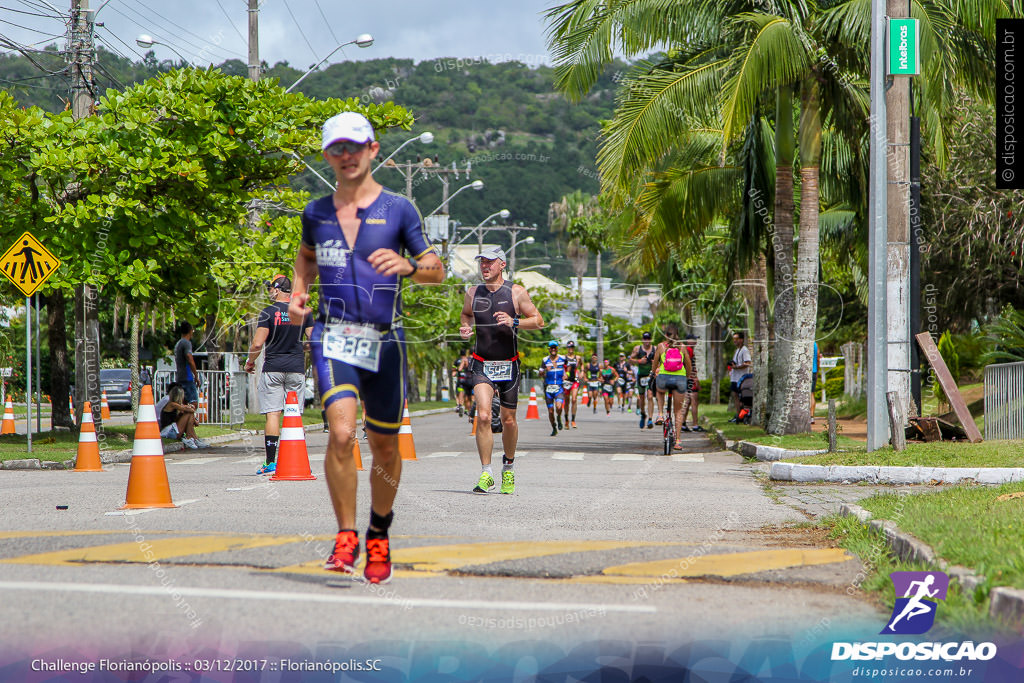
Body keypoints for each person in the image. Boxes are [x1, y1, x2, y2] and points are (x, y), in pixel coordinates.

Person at [289, 111, 445, 584]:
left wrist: (408, 266)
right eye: (337, 148)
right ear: (327, 156)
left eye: (355, 147)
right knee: (340, 434)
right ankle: (345, 536)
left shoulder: (399, 210)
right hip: (333, 335)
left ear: (373, 150)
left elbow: (436, 269)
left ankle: (379, 531)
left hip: (385, 341)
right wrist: (299, 291)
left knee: (384, 446)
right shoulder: (315, 212)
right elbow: (306, 258)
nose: (347, 156)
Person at [459, 246, 544, 493]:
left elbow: (538, 321)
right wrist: (465, 327)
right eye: (482, 263)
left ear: (502, 265)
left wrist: (514, 321)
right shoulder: (473, 292)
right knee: (483, 416)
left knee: (508, 420)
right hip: (482, 362)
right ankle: (486, 473)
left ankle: (508, 468)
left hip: (509, 365)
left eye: (490, 262)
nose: (485, 266)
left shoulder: (516, 292)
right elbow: (466, 315)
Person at [244, 274, 314, 475]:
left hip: (273, 367)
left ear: (276, 289)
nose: (269, 292)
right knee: (294, 415)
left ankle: (270, 462)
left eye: (270, 289)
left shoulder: (267, 312)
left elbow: (257, 343)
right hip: (296, 368)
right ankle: (296, 459)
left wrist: (250, 362)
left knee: (273, 413)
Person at [652, 323, 691, 447]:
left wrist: (654, 373)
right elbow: (688, 365)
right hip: (680, 380)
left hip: (664, 378)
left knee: (659, 390)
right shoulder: (682, 347)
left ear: (666, 335)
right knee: (678, 411)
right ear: (678, 335)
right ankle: (678, 441)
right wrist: (686, 377)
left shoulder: (661, 346)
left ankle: (660, 414)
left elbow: (655, 363)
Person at [155, 383, 208, 449]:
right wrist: (191, 410)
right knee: (188, 413)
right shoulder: (172, 404)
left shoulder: (176, 405)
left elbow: (186, 411)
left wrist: (193, 419)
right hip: (169, 432)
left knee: (188, 414)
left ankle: (194, 438)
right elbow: (190, 410)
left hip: (173, 430)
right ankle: (190, 437)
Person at [629, 331, 656, 429]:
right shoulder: (637, 348)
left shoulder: (655, 349)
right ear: (642, 340)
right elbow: (630, 360)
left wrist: (654, 363)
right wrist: (639, 361)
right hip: (641, 376)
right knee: (641, 398)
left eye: (648, 338)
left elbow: (661, 360)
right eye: (645, 339)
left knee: (649, 396)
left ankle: (650, 419)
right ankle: (643, 414)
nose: (647, 341)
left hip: (650, 375)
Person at [540, 340, 566, 436]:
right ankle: (554, 428)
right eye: (552, 348)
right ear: (549, 349)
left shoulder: (563, 359)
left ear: (557, 348)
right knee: (550, 411)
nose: (553, 349)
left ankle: (559, 417)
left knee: (559, 407)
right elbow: (540, 373)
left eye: (555, 347)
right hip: (548, 389)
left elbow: (570, 368)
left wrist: (566, 374)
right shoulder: (545, 360)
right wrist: (546, 369)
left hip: (559, 387)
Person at [681, 334, 704, 432]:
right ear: (688, 340)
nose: (695, 341)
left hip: (685, 378)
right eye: (693, 339)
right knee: (694, 401)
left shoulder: (687, 350)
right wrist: (694, 378)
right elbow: (688, 365)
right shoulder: (688, 350)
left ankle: (682, 423)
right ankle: (695, 425)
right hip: (689, 379)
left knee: (688, 401)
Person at [174, 322, 201, 407]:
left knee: (184, 404)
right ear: (190, 331)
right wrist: (196, 376)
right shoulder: (186, 343)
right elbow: (189, 358)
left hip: (179, 377)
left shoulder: (178, 344)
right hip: (187, 378)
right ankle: (187, 420)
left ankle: (188, 420)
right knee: (193, 403)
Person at [727, 331, 752, 423]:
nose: (735, 341)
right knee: (735, 396)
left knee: (740, 398)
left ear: (741, 340)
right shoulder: (737, 350)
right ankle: (738, 415)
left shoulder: (744, 350)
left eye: (737, 339)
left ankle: (741, 416)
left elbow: (747, 363)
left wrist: (736, 367)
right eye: (734, 339)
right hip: (735, 377)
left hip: (741, 378)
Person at [560, 340, 581, 429]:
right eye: (569, 347)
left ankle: (573, 420)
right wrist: (563, 375)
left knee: (574, 399)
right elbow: (560, 368)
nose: (570, 349)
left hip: (575, 381)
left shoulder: (578, 357)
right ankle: (566, 420)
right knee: (567, 401)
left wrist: (582, 372)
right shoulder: (563, 358)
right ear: (567, 348)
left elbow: (581, 365)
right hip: (566, 382)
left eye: (572, 347)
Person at [810, 341, 821, 424]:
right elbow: (818, 358)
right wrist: (817, 371)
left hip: (804, 372)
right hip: (813, 371)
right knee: (812, 394)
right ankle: (812, 416)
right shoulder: (815, 344)